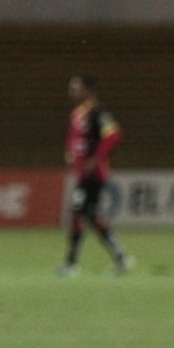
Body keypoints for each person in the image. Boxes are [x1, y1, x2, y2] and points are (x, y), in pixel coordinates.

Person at [60, 74, 133, 277]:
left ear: (88, 90)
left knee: (77, 212)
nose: (72, 91)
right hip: (82, 172)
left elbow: (114, 135)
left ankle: (71, 264)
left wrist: (96, 158)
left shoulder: (97, 113)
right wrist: (70, 152)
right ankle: (121, 257)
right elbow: (74, 139)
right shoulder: (78, 114)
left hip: (94, 174)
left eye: (76, 87)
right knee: (90, 215)